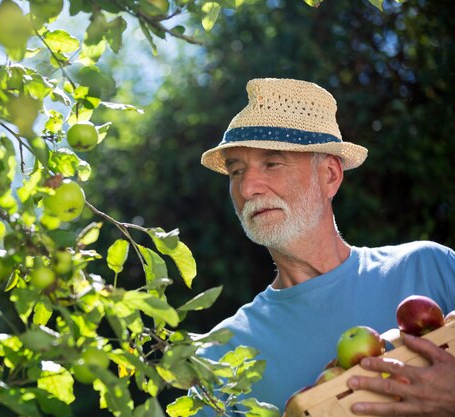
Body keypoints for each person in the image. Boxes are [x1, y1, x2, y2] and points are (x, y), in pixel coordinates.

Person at [194, 78, 455, 416]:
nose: (247, 187)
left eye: (271, 163)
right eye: (236, 171)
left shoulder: (429, 268)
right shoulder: (219, 355)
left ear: (330, 175)